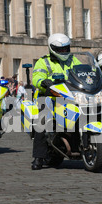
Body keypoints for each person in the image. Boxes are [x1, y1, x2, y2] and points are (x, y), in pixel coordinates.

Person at [30, 33, 81, 170]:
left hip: (71, 97)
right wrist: (43, 82)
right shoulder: (44, 61)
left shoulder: (73, 60)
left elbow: (83, 72)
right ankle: (38, 157)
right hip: (49, 97)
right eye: (61, 49)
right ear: (52, 48)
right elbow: (36, 77)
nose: (64, 51)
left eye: (66, 48)